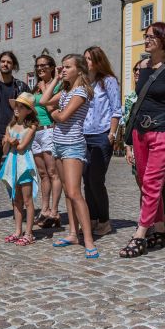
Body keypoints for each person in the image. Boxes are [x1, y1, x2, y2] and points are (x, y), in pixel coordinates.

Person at [120, 22, 165, 258]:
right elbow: (139, 102)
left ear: (163, 40)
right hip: (140, 132)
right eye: (145, 36)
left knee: (153, 185)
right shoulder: (143, 66)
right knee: (145, 183)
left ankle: (140, 235)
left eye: (150, 37)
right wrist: (128, 139)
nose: (146, 40)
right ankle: (160, 230)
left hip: (163, 132)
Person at [41, 54, 98, 259]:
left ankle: (88, 239)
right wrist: (55, 79)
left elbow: (62, 117)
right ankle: (73, 234)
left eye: (67, 67)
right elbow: (44, 101)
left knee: (75, 193)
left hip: (73, 146)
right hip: (58, 144)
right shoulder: (66, 90)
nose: (63, 70)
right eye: (62, 67)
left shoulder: (81, 91)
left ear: (79, 70)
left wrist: (54, 114)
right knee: (66, 192)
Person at [0, 52, 29, 221]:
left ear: (13, 65)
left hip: (16, 136)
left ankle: (19, 208)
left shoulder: (21, 87)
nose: (5, 64)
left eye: (9, 62)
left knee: (17, 173)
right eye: (2, 61)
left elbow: (29, 111)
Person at [82, 46, 121, 237]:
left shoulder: (109, 81)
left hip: (102, 135)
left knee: (96, 180)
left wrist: (111, 134)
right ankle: (92, 219)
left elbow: (116, 109)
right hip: (84, 135)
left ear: (98, 61)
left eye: (89, 59)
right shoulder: (84, 83)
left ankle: (104, 221)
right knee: (86, 181)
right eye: (84, 59)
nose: (86, 62)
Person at [0, 92, 39, 245]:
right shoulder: (10, 126)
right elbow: (4, 150)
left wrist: (9, 140)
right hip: (12, 163)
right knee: (16, 199)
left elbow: (21, 147)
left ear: (28, 110)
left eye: (21, 106)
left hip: (24, 164)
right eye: (16, 105)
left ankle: (29, 233)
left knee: (27, 200)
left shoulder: (32, 126)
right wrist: (8, 141)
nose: (17, 108)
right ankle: (17, 231)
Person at [31, 55, 62, 229]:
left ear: (52, 67)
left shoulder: (57, 85)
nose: (40, 68)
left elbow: (54, 108)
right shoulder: (36, 86)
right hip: (36, 132)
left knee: (53, 172)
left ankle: (55, 212)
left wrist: (45, 88)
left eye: (44, 65)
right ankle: (45, 209)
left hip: (50, 130)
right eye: (38, 65)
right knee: (42, 173)